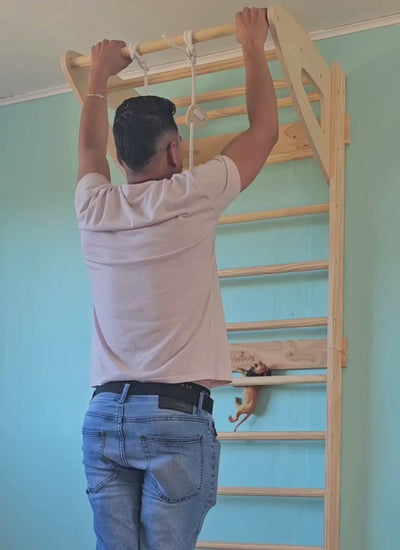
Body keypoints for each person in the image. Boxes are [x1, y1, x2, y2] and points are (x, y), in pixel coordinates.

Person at [75, 7, 278, 550]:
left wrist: (98, 77)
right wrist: (252, 45)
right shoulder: (193, 193)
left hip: (103, 412)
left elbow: (88, 149)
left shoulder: (93, 208)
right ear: (174, 151)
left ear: (121, 159)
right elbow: (264, 132)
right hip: (172, 415)